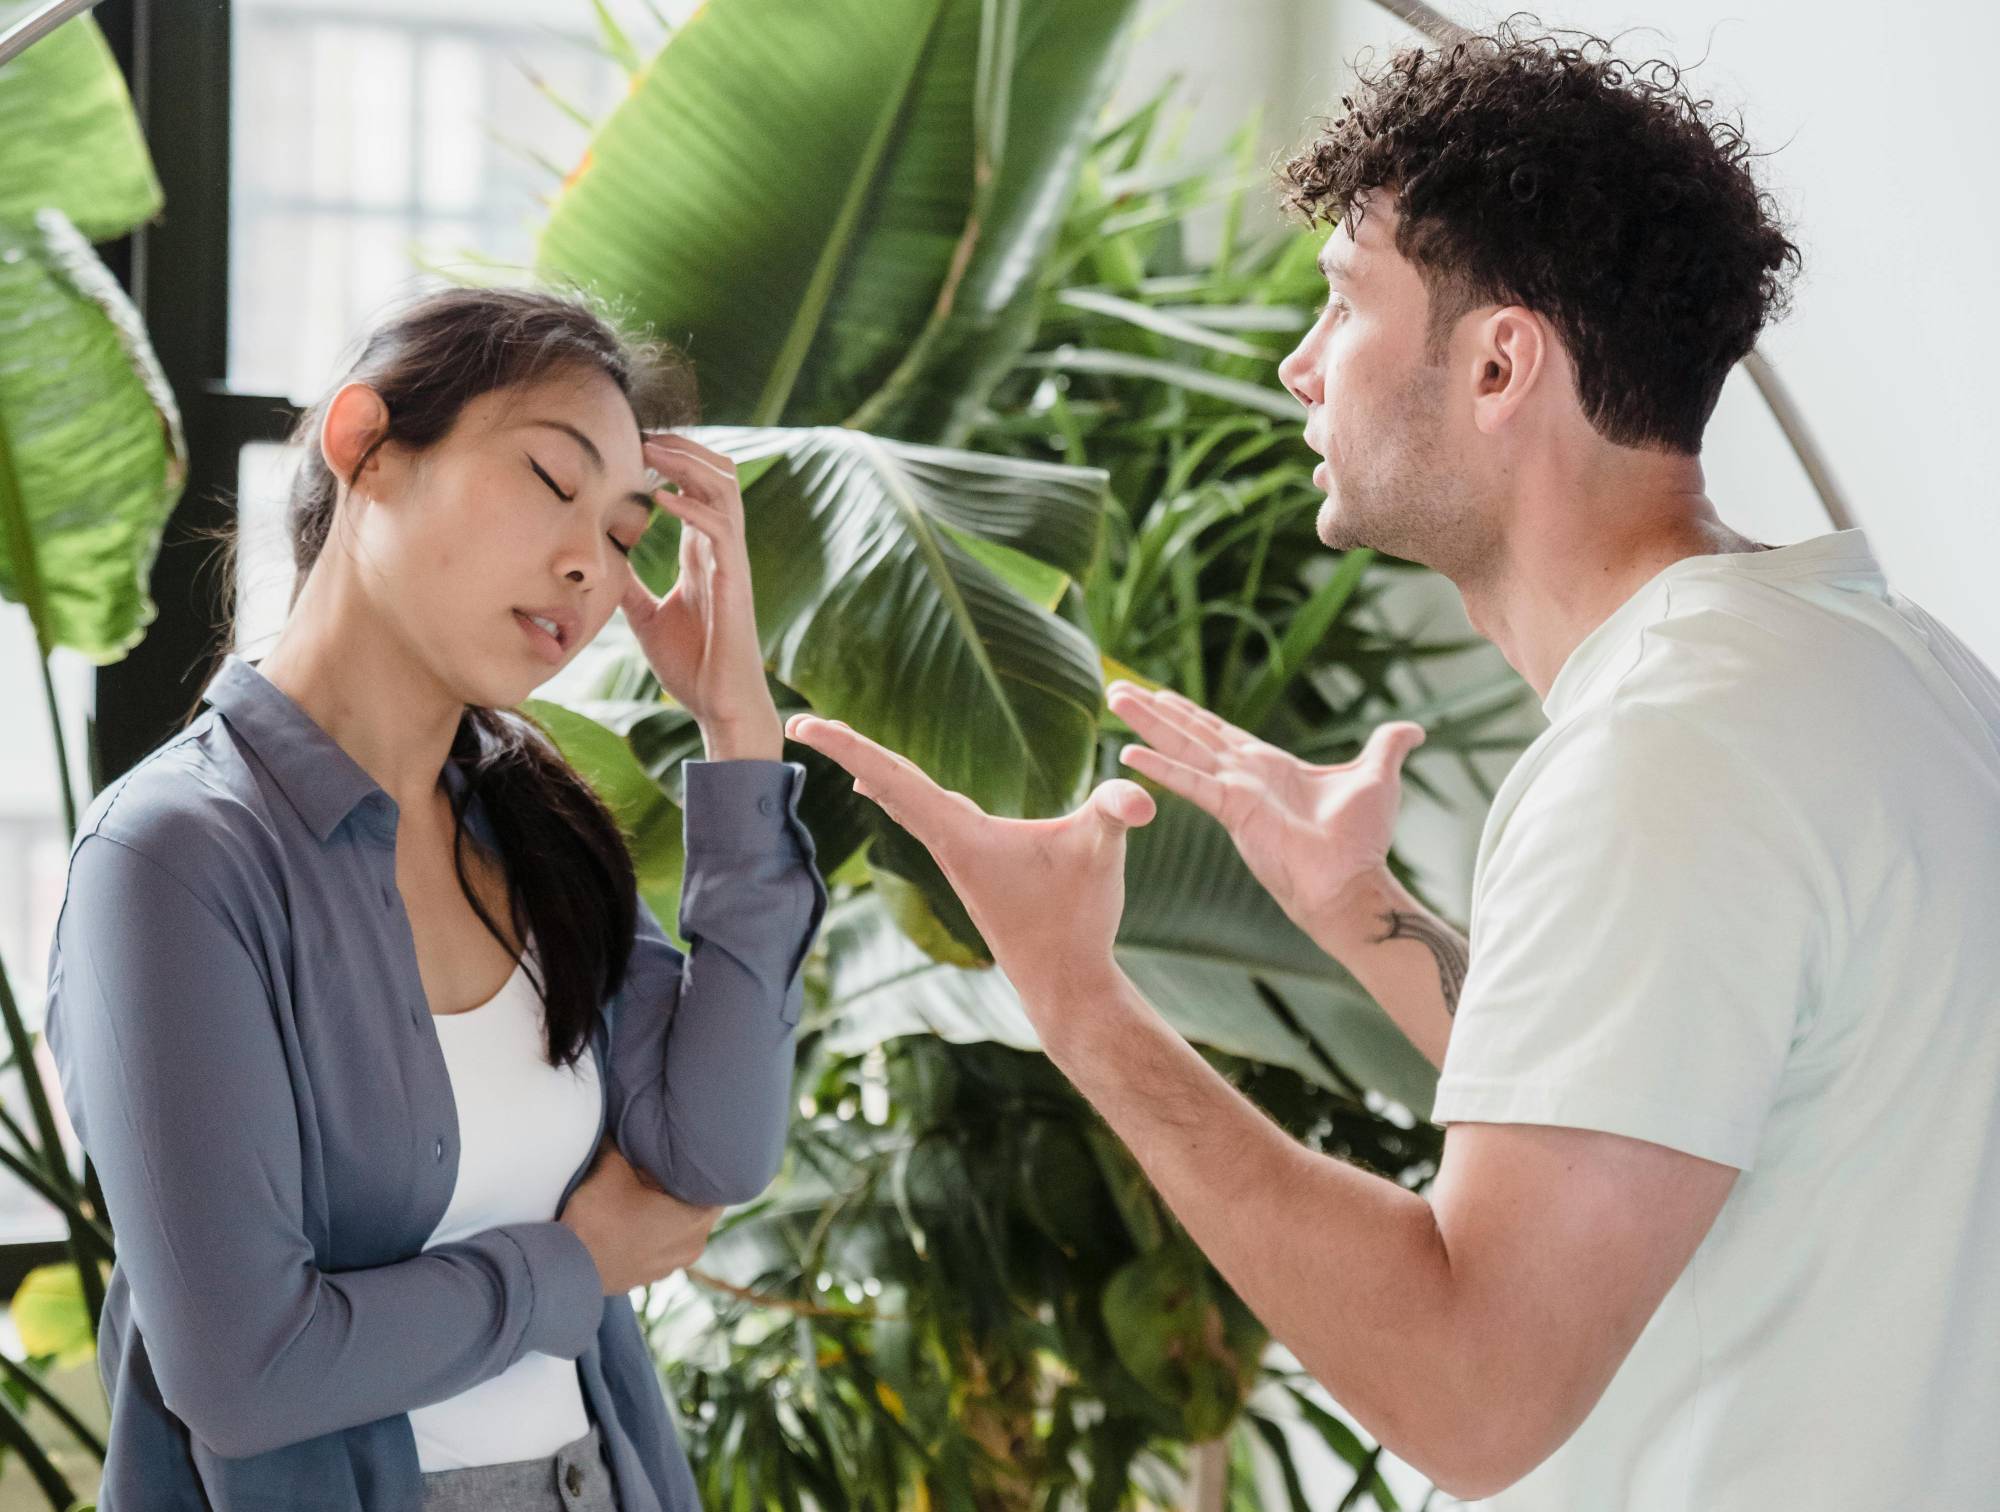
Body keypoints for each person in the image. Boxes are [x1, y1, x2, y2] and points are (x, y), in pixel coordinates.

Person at [784, 20, 2000, 1510]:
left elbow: (1472, 1393)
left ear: (1498, 363)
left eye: (1343, 301)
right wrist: (1359, 912)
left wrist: (1077, 1001)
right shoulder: (1876, 666)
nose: (1299, 366)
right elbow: (1673, 1112)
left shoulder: (1667, 759)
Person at [43, 284, 829, 1511]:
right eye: (550, 482)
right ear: (365, 446)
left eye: (624, 533)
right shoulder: (173, 860)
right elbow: (246, 1376)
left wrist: (737, 733)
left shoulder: (538, 832)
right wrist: (571, 1267)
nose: (588, 564)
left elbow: (711, 1152)